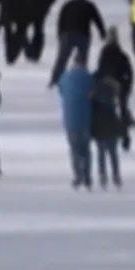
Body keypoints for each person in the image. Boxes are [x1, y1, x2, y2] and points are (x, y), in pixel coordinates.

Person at [58, 52, 93, 189]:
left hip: (69, 119)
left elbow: (61, 91)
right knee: (85, 149)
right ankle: (87, 176)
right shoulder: (87, 77)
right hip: (84, 118)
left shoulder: (65, 76)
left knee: (74, 149)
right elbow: (91, 94)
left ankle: (77, 175)